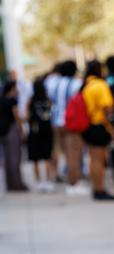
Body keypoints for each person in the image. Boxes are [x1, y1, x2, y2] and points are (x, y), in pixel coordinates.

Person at [46, 60, 87, 195]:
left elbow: (50, 101)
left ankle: (72, 181)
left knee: (64, 153)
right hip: (70, 122)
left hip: (56, 122)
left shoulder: (53, 82)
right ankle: (73, 184)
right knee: (73, 155)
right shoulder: (77, 83)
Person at [80, 60, 114, 200]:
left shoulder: (86, 85)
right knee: (98, 160)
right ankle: (99, 190)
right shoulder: (100, 85)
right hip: (99, 126)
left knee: (94, 159)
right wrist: (110, 127)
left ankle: (96, 188)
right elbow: (105, 107)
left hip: (89, 126)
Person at [0, 81, 28, 191]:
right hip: (11, 131)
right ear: (12, 88)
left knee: (8, 159)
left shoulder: (2, 100)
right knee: (15, 159)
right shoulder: (12, 101)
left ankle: (10, 185)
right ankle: (17, 184)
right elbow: (17, 118)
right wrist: (22, 131)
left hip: (3, 133)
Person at [27, 79, 54, 192]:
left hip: (35, 132)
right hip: (47, 132)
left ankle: (38, 181)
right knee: (47, 157)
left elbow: (27, 117)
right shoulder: (48, 101)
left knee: (36, 158)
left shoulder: (31, 102)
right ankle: (48, 180)